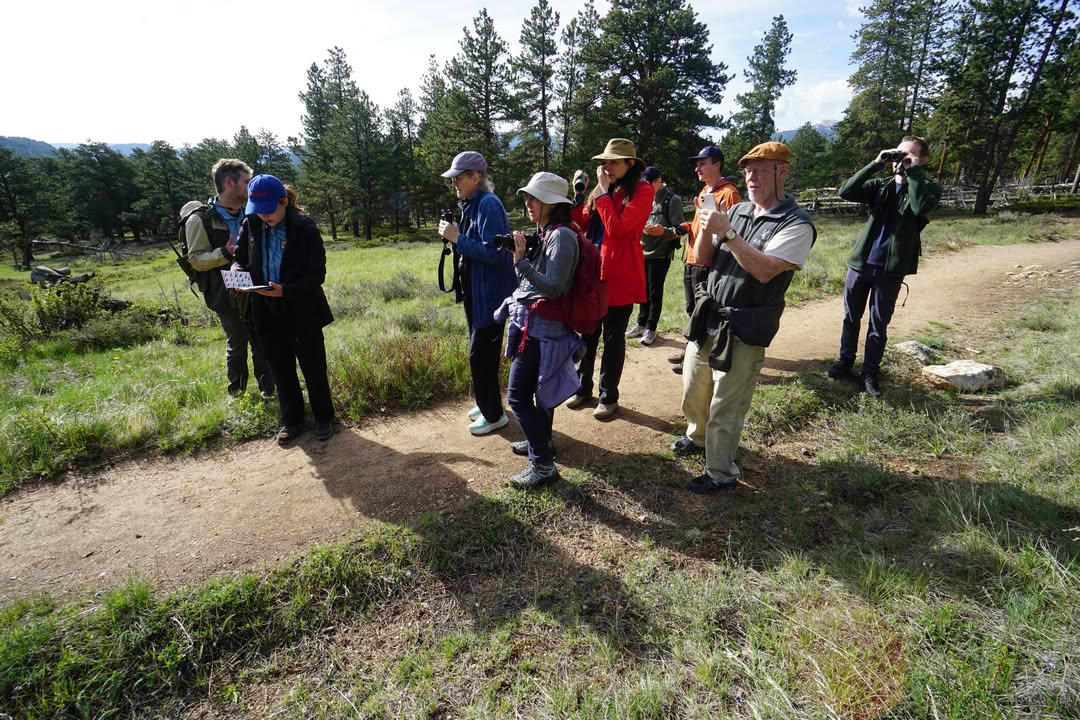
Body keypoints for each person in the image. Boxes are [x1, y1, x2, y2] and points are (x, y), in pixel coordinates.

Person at [676, 142, 816, 494]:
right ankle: (696, 438)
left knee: (726, 403)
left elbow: (765, 271)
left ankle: (721, 472)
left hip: (745, 325)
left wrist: (728, 233)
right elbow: (704, 257)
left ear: (782, 171)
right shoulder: (737, 210)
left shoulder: (797, 224)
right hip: (709, 316)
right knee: (694, 387)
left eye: (761, 170)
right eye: (748, 170)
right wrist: (706, 226)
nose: (752, 177)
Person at [826, 136, 943, 396]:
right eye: (899, 153)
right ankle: (845, 362)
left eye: (908, 155)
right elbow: (846, 191)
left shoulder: (929, 189)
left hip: (891, 270)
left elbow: (919, 207)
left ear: (922, 160)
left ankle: (870, 373)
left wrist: (913, 173)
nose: (901, 159)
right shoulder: (881, 186)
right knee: (850, 317)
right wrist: (876, 163)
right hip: (861, 263)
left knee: (878, 325)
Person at [233, 175, 335, 446]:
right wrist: (237, 274)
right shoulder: (251, 224)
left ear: (284, 202)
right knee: (280, 367)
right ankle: (292, 420)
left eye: (268, 210)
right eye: (258, 210)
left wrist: (286, 291)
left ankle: (324, 418)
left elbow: (317, 275)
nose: (263, 216)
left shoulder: (305, 228)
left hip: (302, 308)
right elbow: (239, 259)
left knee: (313, 366)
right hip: (264, 309)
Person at [496, 172, 583, 489]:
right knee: (539, 393)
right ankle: (541, 441)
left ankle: (543, 464)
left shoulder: (562, 237)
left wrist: (521, 262)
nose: (528, 203)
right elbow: (533, 282)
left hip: (545, 331)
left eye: (534, 198)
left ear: (551, 203)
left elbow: (555, 288)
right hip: (535, 326)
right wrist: (523, 256)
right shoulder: (546, 234)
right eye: (527, 198)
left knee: (517, 397)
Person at [567, 138, 654, 419]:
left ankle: (608, 396)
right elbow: (582, 222)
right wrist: (579, 195)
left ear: (630, 163)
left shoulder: (642, 191)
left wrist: (603, 193)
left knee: (613, 339)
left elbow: (617, 229)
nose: (607, 167)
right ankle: (582, 388)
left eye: (613, 162)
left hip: (620, 276)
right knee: (588, 334)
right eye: (604, 162)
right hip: (593, 274)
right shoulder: (602, 190)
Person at [437, 152, 518, 435]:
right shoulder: (472, 204)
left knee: (480, 356)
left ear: (476, 177)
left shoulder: (488, 204)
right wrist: (456, 236)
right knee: (482, 353)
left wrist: (457, 238)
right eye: (453, 179)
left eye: (459, 178)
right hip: (477, 293)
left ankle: (494, 415)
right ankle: (487, 403)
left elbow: (495, 254)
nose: (454, 184)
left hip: (491, 297)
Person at [180, 158, 272, 397]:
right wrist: (225, 253)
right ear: (229, 182)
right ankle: (238, 394)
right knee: (237, 342)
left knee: (262, 337)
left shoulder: (250, 211)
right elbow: (196, 259)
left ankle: (268, 389)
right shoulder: (200, 219)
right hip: (224, 291)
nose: (251, 186)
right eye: (246, 181)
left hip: (256, 285)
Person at [668, 146, 742, 374]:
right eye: (696, 164)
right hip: (692, 258)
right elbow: (700, 225)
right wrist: (684, 228)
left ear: (717, 165)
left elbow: (732, 230)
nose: (697, 168)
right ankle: (690, 351)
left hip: (709, 262)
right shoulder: (704, 192)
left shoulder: (729, 193)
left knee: (703, 311)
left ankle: (699, 357)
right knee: (692, 308)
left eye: (702, 163)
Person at [625, 166, 684, 347]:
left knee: (654, 291)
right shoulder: (643, 197)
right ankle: (641, 323)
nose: (645, 187)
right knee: (642, 291)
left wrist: (662, 231)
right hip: (642, 251)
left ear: (659, 181)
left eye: (649, 183)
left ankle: (651, 328)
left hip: (660, 254)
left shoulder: (672, 200)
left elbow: (680, 229)